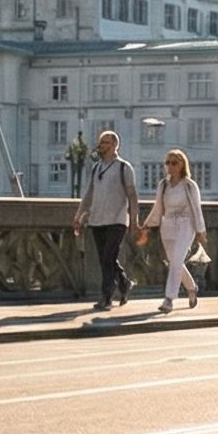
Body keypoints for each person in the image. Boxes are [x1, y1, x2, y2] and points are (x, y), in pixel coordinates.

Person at [78, 131, 141, 310]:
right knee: (106, 259)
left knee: (108, 258)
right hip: (97, 220)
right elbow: (89, 193)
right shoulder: (96, 168)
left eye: (105, 142)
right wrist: (79, 215)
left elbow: (132, 195)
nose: (101, 146)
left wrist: (134, 220)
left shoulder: (124, 167)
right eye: (100, 142)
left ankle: (106, 296)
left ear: (114, 146)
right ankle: (124, 283)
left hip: (117, 220)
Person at [146, 148, 207, 313]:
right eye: (167, 163)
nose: (170, 166)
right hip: (167, 225)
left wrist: (201, 230)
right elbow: (158, 207)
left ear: (182, 165)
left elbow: (196, 209)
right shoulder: (163, 185)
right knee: (174, 261)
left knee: (178, 259)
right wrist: (147, 224)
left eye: (174, 163)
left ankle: (169, 298)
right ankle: (191, 287)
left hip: (186, 224)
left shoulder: (189, 185)